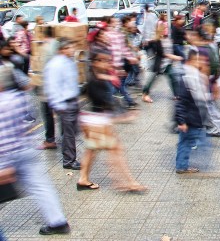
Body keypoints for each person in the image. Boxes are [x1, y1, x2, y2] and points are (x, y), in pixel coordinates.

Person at [0, 72, 71, 235]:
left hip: (6, 156)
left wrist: (4, 165)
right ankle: (58, 221)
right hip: (27, 149)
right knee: (41, 186)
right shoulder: (19, 98)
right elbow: (32, 119)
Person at [77, 49, 146, 192]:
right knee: (115, 150)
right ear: (96, 62)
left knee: (92, 151)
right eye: (105, 60)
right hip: (97, 123)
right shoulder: (95, 81)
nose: (109, 63)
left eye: (109, 60)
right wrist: (124, 117)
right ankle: (126, 182)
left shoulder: (99, 77)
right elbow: (105, 103)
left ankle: (83, 179)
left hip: (92, 121)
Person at [43, 38, 81, 170]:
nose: (72, 50)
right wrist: (59, 105)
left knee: (70, 132)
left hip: (72, 101)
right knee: (69, 133)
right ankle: (69, 160)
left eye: (72, 47)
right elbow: (52, 87)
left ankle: (69, 157)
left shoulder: (69, 62)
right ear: (62, 50)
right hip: (65, 103)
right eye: (69, 47)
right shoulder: (55, 65)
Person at [175, 47, 210, 174]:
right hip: (189, 119)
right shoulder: (187, 78)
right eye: (197, 60)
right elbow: (181, 102)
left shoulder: (194, 76)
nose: (200, 63)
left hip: (193, 117)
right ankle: (182, 166)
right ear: (190, 61)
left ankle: (181, 165)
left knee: (186, 142)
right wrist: (181, 121)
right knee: (186, 142)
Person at [35, 26, 60, 150]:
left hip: (49, 87)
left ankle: (50, 140)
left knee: (47, 113)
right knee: (60, 113)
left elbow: (44, 69)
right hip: (59, 87)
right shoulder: (59, 44)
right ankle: (64, 137)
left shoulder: (45, 47)